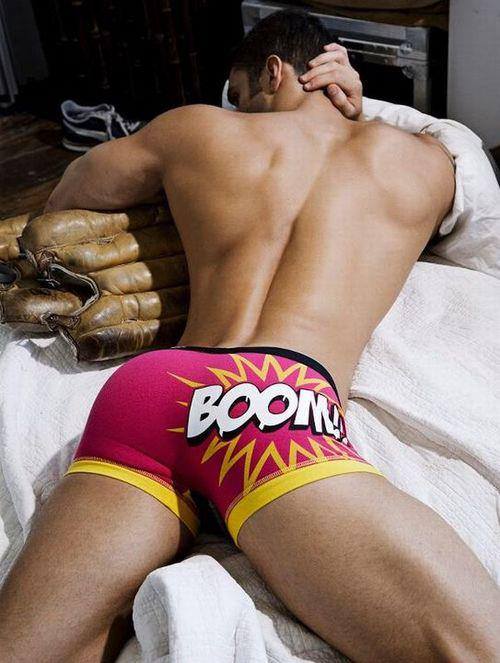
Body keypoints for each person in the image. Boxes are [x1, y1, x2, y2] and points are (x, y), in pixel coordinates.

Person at [0, 10, 498, 663]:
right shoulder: (423, 160)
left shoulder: (192, 130)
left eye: (237, 94)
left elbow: (68, 197)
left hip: (150, 394)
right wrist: (368, 104)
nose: (232, 109)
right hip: (274, 407)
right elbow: (484, 233)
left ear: (273, 71)